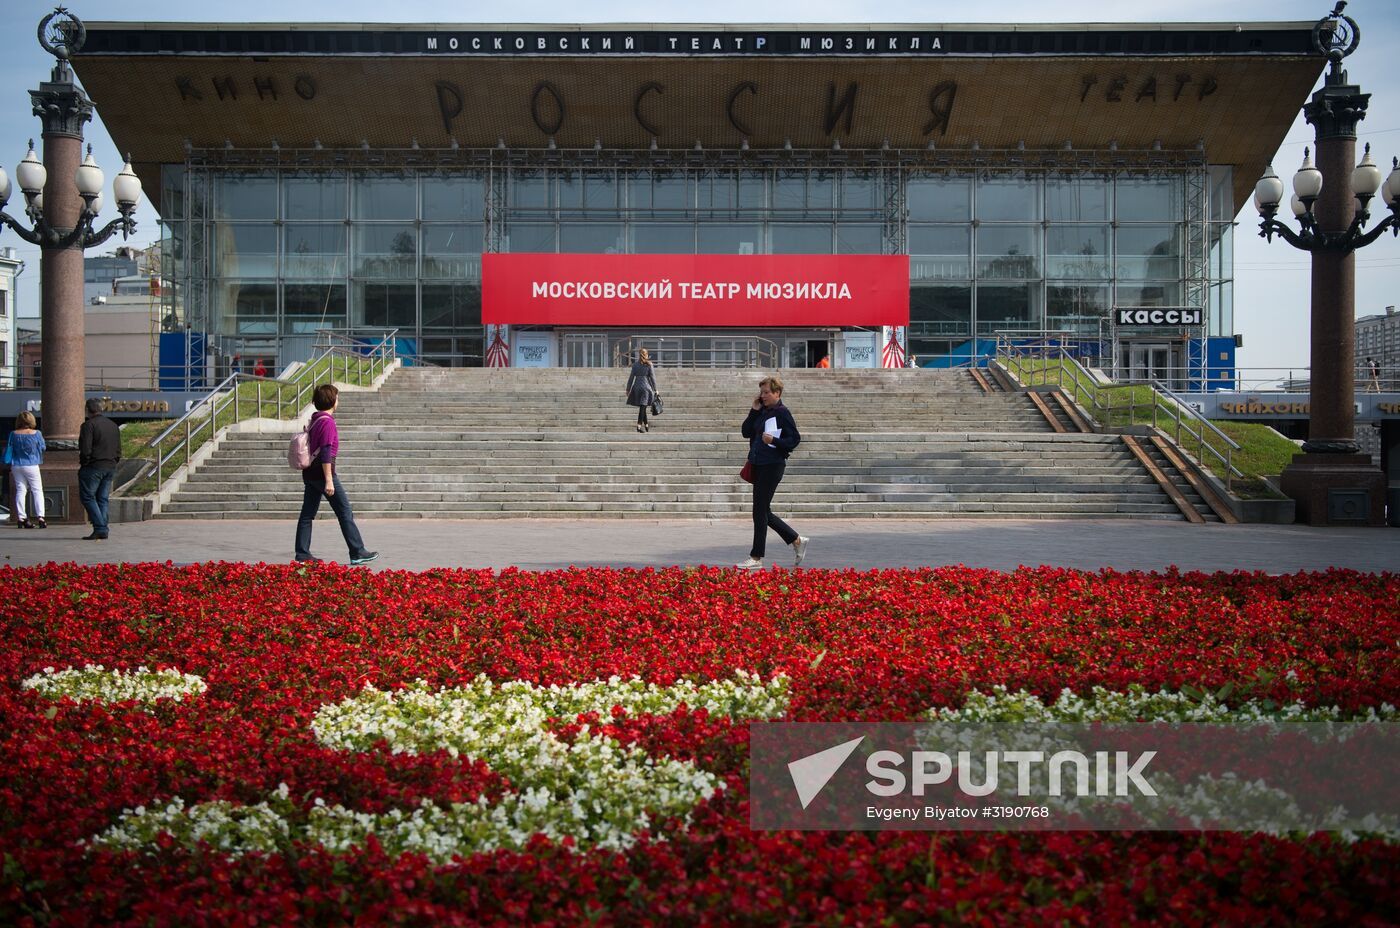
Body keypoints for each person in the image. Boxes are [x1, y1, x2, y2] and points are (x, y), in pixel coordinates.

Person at [294, 383, 378, 565]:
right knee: (344, 511)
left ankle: (302, 555)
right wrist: (329, 481)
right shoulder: (327, 422)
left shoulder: (315, 419)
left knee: (307, 515)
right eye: (337, 398)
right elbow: (326, 452)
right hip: (323, 474)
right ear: (332, 401)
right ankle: (357, 551)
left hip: (310, 474)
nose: (338, 401)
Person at [736, 375, 808, 570]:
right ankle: (796, 540)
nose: (763, 395)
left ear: (777, 393)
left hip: (773, 465)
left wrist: (774, 441)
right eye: (762, 392)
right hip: (758, 464)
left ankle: (756, 557)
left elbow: (795, 439)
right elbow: (745, 431)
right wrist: (754, 410)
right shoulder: (763, 411)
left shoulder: (782, 413)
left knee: (759, 511)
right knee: (763, 511)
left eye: (767, 392)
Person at [78, 398, 121, 540]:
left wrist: (85, 463)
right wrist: (114, 461)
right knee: (102, 498)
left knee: (88, 497)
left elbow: (85, 449)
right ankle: (102, 528)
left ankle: (100, 527)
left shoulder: (88, 425)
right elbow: (118, 449)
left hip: (94, 467)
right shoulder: (113, 425)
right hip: (110, 466)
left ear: (87, 410)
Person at [7, 411, 47, 529]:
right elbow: (43, 447)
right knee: (37, 490)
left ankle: (21, 518)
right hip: (32, 464)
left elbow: (10, 448)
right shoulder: (37, 433)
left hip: (16, 464)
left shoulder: (13, 434)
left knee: (20, 490)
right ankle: (41, 517)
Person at [626, 348, 658, 433]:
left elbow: (631, 378)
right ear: (646, 355)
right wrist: (656, 389)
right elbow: (652, 378)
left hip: (637, 387)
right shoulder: (649, 364)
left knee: (642, 406)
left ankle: (646, 424)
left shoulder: (635, 365)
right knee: (643, 407)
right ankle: (639, 426)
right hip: (646, 388)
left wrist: (628, 389)